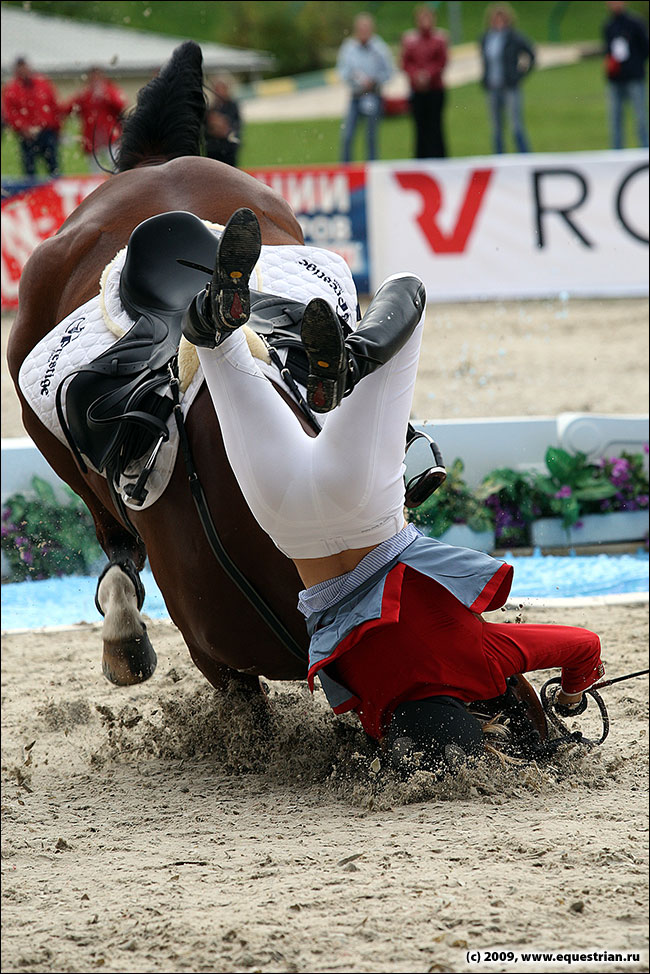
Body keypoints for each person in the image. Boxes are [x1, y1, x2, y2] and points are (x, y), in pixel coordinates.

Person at [178, 206, 605, 775]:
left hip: (364, 510)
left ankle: (349, 365)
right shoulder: (373, 712)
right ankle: (215, 315)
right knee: (215, 349)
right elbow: (420, 718)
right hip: (285, 520)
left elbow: (586, 646)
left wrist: (572, 696)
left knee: (409, 292)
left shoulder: (485, 660)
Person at [337, 12, 394, 163]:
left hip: (374, 95)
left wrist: (375, 81)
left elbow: (389, 71)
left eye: (366, 29)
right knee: (347, 135)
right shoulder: (349, 48)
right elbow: (342, 71)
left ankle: (372, 168)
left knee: (371, 137)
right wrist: (354, 80)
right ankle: (346, 170)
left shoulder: (379, 48)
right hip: (356, 96)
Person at [479, 3, 535, 154]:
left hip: (509, 85)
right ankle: (499, 156)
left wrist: (518, 74)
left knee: (515, 124)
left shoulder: (514, 37)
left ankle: (524, 155)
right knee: (496, 127)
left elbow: (531, 54)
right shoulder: (486, 38)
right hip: (493, 86)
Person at [401, 5, 449, 159]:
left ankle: (439, 158)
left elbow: (442, 61)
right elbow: (405, 62)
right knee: (420, 127)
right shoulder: (410, 40)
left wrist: (428, 74)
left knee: (435, 125)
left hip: (435, 88)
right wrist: (416, 75)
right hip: (417, 90)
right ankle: (421, 159)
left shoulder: (439, 39)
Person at [1, 57, 61, 177]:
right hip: (26, 135)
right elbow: (10, 113)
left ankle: (56, 191)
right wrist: (22, 128)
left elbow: (53, 105)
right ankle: (32, 193)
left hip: (46, 131)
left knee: (53, 165)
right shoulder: (12, 89)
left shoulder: (42, 84)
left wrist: (56, 127)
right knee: (29, 168)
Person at [602, 0, 649, 149]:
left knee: (640, 118)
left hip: (634, 77)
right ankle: (617, 152)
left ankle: (644, 150)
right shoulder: (608, 26)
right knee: (615, 119)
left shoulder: (635, 23)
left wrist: (634, 64)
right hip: (615, 78)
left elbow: (645, 47)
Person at [64, 67, 128, 171]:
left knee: (115, 165)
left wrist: (106, 94)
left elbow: (120, 105)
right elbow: (69, 109)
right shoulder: (85, 94)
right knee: (95, 169)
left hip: (110, 135)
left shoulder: (110, 90)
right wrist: (81, 95)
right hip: (91, 136)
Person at [204, 73, 242, 168]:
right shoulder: (210, 107)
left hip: (228, 149)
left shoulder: (232, 106)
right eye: (217, 88)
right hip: (212, 148)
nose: (219, 91)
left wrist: (225, 127)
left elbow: (236, 126)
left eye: (222, 88)